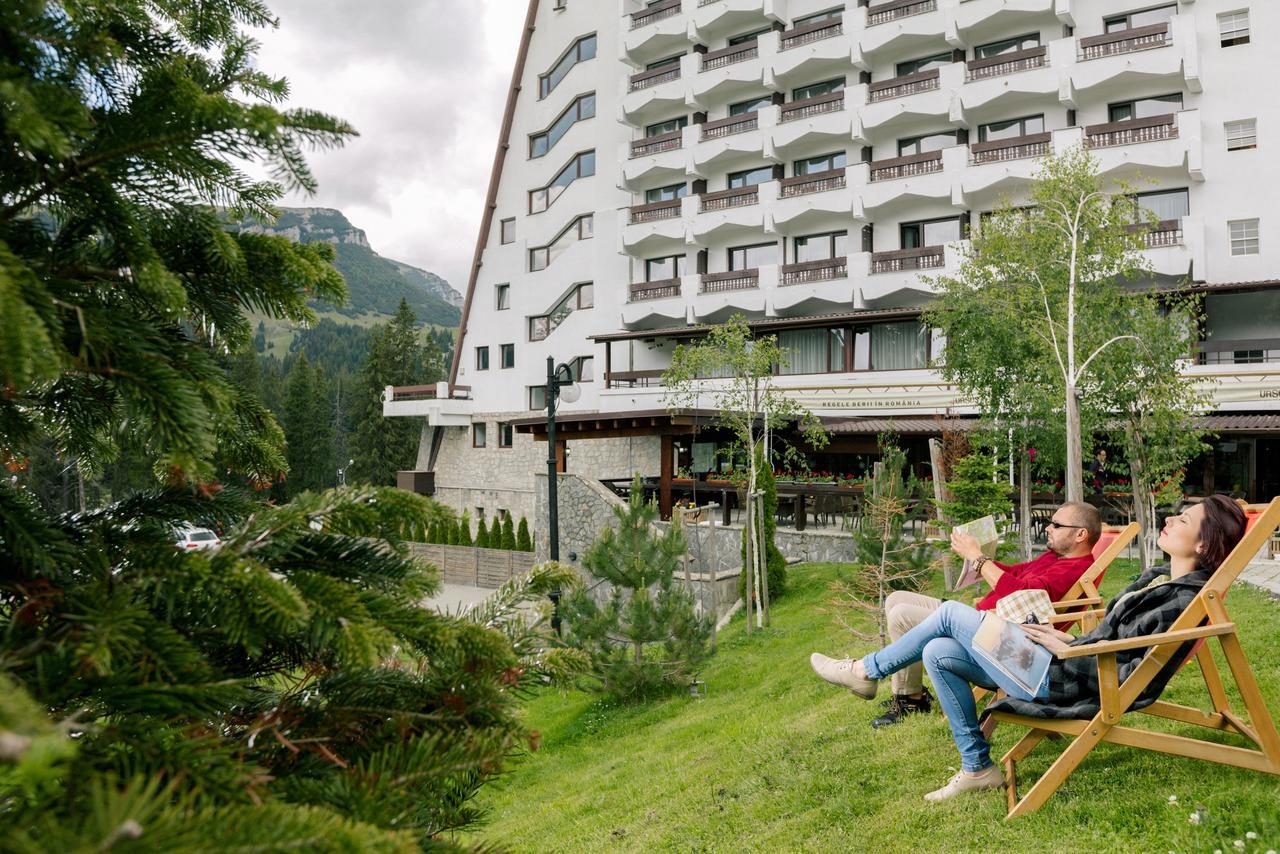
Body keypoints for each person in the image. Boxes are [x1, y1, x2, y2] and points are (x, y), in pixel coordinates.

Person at [808, 495, 1246, 802]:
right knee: (937, 651)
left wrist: (1070, 650)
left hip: (1060, 679)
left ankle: (865, 672)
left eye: (1184, 521)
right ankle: (978, 768)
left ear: (1204, 544)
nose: (1171, 520)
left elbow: (1128, 666)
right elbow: (1118, 644)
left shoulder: (1183, 600)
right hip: (1059, 660)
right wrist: (1069, 639)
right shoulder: (1164, 585)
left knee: (946, 619)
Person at [821, 502, 1103, 728]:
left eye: (1056, 524)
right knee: (897, 599)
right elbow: (1015, 573)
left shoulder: (1073, 569)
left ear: (1081, 534)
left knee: (903, 614)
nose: (1048, 527)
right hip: (980, 617)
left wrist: (979, 560)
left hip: (999, 635)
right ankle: (907, 694)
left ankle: (887, 684)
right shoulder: (1054, 557)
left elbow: (1020, 596)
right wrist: (977, 556)